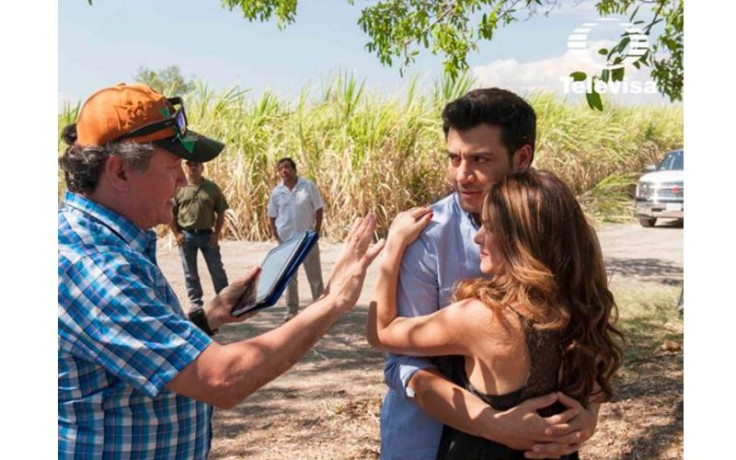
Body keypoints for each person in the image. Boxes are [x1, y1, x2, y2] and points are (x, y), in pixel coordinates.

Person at [58, 82, 384, 458]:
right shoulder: (96, 268)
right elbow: (222, 378)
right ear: (120, 173)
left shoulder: (103, 247)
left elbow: (131, 359)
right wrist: (334, 301)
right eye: (172, 166)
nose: (182, 179)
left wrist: (207, 317)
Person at [376, 88, 601, 459]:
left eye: (480, 159)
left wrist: (588, 416)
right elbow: (403, 359)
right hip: (426, 443)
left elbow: (587, 328)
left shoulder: (559, 225)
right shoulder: (425, 236)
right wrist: (492, 424)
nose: (462, 175)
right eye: (454, 158)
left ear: (522, 156)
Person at [267, 157, 325, 321]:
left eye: (287, 167)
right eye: (281, 169)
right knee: (289, 277)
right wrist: (275, 234)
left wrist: (317, 231)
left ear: (294, 169)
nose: (284, 171)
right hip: (287, 241)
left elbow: (319, 209)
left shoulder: (307, 186)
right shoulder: (277, 192)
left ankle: (319, 308)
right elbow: (272, 215)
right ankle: (291, 310)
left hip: (307, 237)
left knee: (314, 276)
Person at [169, 160, 229, 308]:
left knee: (217, 269)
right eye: (189, 165)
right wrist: (176, 234)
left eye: (196, 165)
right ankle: (195, 302)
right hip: (186, 235)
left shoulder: (212, 188)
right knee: (190, 272)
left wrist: (216, 234)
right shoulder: (179, 188)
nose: (193, 167)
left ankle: (225, 299)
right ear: (186, 167)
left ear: (202, 168)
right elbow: (171, 213)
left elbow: (221, 212)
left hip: (207, 235)